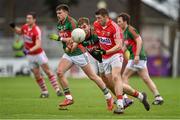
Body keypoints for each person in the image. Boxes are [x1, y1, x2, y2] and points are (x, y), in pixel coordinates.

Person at [49, 4, 114, 111]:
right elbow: (68, 40)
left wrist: (60, 39)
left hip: (79, 53)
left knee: (93, 77)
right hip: (69, 53)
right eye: (57, 13)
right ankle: (69, 98)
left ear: (66, 13)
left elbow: (77, 38)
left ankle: (109, 97)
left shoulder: (72, 23)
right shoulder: (59, 24)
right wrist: (66, 47)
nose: (58, 15)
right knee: (59, 72)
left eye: (60, 13)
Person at [93, 8, 150, 114]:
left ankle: (120, 105)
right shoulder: (96, 24)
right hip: (104, 58)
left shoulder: (114, 27)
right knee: (111, 84)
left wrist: (105, 52)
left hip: (115, 55)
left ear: (106, 17)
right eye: (96, 18)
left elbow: (119, 46)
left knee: (116, 77)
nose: (97, 20)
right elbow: (95, 37)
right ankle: (140, 96)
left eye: (99, 18)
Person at [9, 12, 63, 98]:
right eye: (27, 18)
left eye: (30, 18)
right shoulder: (25, 27)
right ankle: (45, 92)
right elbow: (20, 32)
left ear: (34, 19)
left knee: (47, 71)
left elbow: (38, 45)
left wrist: (29, 50)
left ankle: (57, 90)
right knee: (37, 75)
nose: (27, 20)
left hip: (39, 54)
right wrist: (14, 27)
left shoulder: (36, 30)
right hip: (30, 56)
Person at [117, 12, 164, 105]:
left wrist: (137, 55)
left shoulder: (130, 30)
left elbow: (139, 40)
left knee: (124, 76)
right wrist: (118, 54)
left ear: (125, 21)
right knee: (146, 78)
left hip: (136, 57)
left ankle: (127, 99)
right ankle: (158, 97)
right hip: (139, 57)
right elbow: (126, 45)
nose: (118, 23)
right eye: (117, 21)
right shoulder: (125, 32)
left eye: (119, 21)